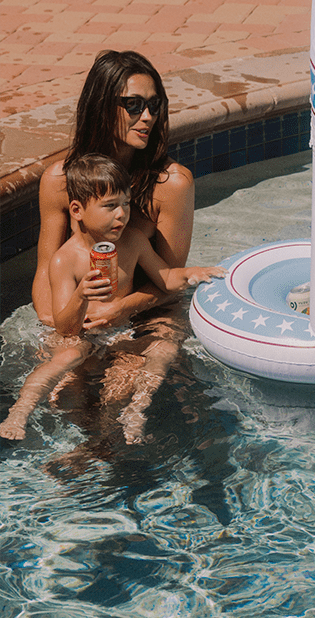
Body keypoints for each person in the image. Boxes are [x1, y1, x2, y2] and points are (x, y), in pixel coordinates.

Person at [0, 155, 222, 443]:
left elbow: (165, 278)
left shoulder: (133, 242)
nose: (122, 215)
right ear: (77, 210)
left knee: (164, 349)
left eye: (126, 204)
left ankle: (135, 411)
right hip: (78, 336)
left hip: (118, 332)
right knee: (70, 354)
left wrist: (195, 273)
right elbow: (65, 328)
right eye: (110, 206)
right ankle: (20, 411)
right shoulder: (64, 260)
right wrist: (81, 295)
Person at [32, 50, 195, 329]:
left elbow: (169, 282)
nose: (147, 117)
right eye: (133, 104)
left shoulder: (171, 184)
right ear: (101, 106)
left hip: (148, 317)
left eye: (154, 105)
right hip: (78, 315)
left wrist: (123, 308)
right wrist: (55, 328)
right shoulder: (59, 180)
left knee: (142, 370)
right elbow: (45, 272)